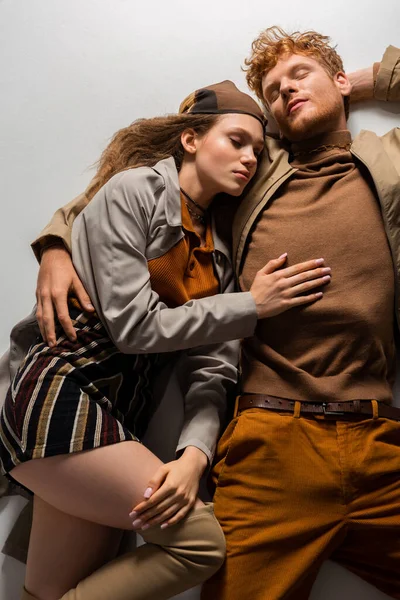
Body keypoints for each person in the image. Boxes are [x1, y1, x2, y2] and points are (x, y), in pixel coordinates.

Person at [0, 80, 330, 600]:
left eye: (258, 151)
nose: (248, 158)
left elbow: (212, 373)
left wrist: (195, 453)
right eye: (237, 140)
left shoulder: (220, 255)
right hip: (60, 393)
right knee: (199, 544)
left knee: (47, 591)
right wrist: (253, 305)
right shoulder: (134, 191)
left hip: (115, 417)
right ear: (192, 140)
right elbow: (133, 329)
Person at [199, 30, 400, 600]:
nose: (286, 90)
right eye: (273, 90)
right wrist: (59, 244)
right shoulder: (249, 171)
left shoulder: (389, 157)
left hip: (382, 439)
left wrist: (356, 83)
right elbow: (148, 168)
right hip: (271, 445)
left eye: (300, 75)